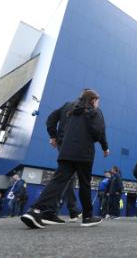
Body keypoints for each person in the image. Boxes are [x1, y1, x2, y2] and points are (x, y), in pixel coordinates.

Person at [21, 90, 109, 229]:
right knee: (84, 183)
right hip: (84, 153)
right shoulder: (94, 112)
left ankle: (35, 210)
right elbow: (99, 132)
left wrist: (53, 135)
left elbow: (51, 119)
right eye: (97, 101)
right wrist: (105, 147)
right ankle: (87, 216)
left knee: (58, 180)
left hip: (66, 150)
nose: (98, 103)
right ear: (93, 100)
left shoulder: (71, 110)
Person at [46, 94, 87, 223]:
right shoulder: (85, 109)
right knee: (65, 175)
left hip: (61, 141)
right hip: (73, 143)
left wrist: (53, 136)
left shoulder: (66, 105)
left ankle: (73, 210)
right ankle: (48, 210)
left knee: (69, 175)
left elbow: (51, 118)